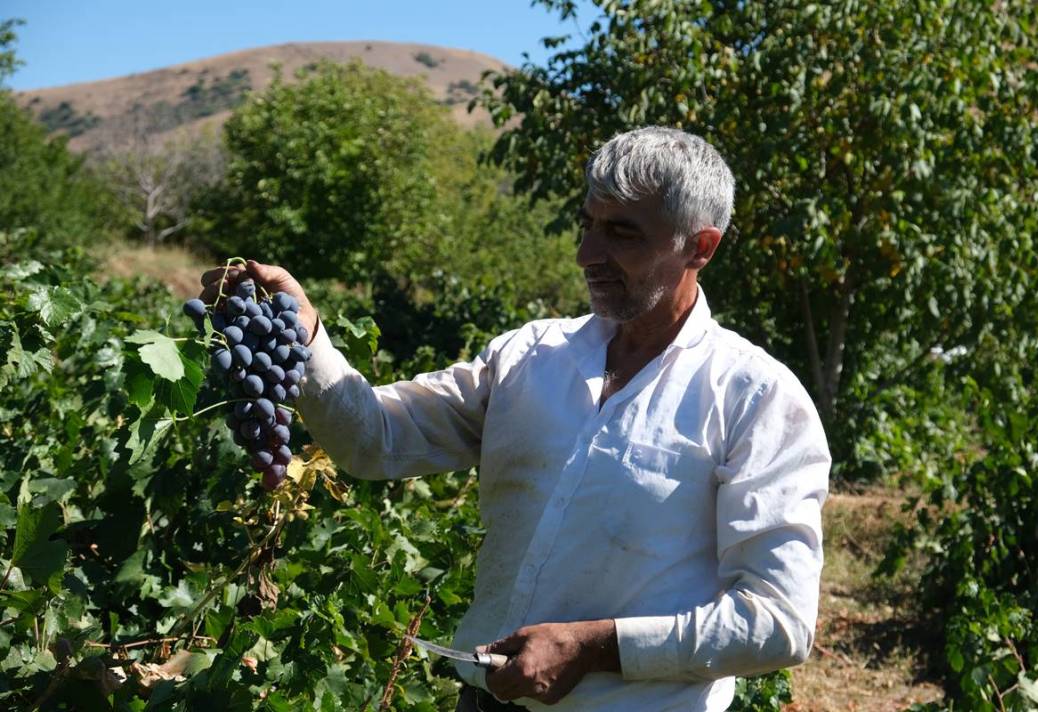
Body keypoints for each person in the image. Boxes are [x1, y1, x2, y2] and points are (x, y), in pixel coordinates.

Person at [200, 126, 830, 712]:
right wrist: (305, 331)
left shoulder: (756, 399)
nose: (587, 254)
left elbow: (777, 621)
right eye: (587, 225)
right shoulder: (528, 357)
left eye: (622, 233)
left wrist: (594, 645)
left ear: (700, 247)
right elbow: (376, 441)